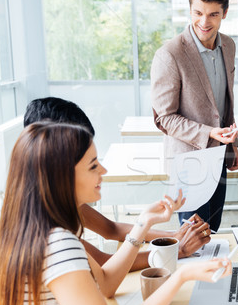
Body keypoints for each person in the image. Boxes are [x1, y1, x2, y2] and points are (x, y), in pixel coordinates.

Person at [0, 122, 232, 305]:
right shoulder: (58, 245)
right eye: (93, 166)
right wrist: (180, 277)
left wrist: (143, 223)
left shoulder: (34, 231)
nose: (103, 171)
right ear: (62, 178)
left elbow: (105, 283)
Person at [24, 97, 211, 271]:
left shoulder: (57, 194)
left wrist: (173, 237)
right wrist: (177, 250)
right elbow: (105, 266)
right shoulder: (46, 225)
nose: (102, 170)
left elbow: (111, 229)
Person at [151, 0, 238, 232]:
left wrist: (232, 147)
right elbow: (164, 118)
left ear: (225, 12)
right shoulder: (170, 54)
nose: (204, 22)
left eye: (213, 14)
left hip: (219, 157)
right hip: (188, 163)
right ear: (190, 10)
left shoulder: (229, 46)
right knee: (192, 236)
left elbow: (225, 104)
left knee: (212, 230)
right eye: (198, 13)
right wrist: (208, 133)